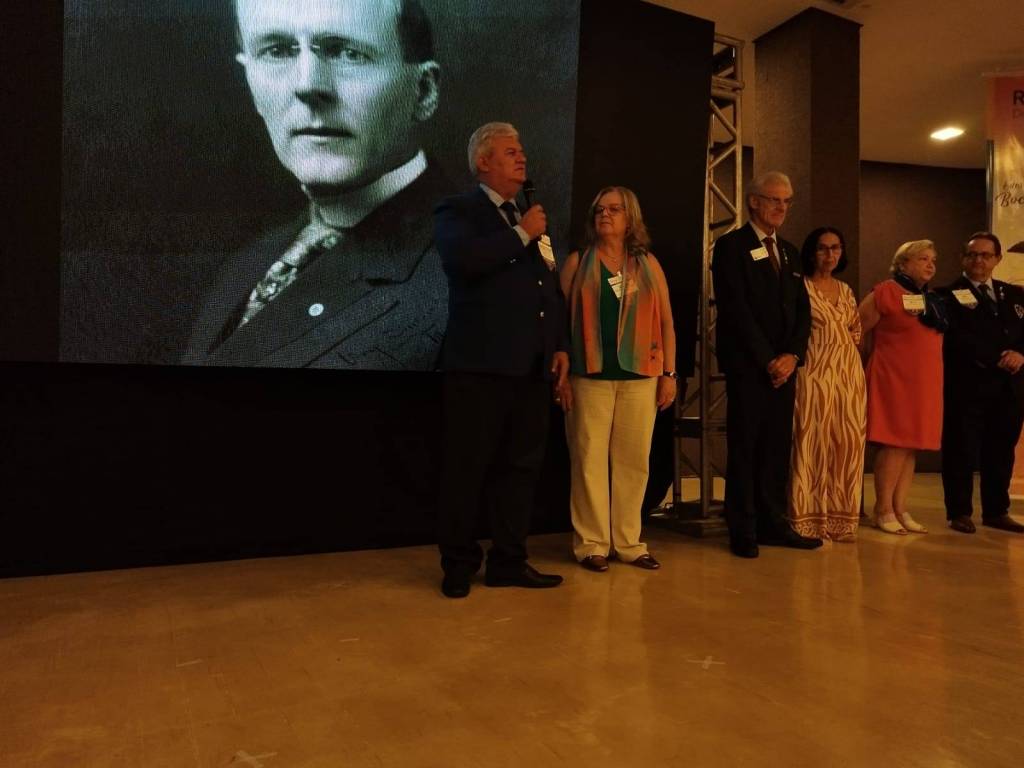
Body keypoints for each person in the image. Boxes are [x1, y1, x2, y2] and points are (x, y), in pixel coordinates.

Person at [183, 0, 450, 369]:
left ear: (423, 91)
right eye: (277, 51)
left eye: (348, 53)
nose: (308, 85)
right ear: (249, 78)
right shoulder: (251, 259)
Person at [434, 122, 569, 598]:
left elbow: (548, 288)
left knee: (521, 470)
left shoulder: (530, 217)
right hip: (479, 368)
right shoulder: (459, 209)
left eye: (521, 150)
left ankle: (509, 561)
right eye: (510, 151)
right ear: (483, 161)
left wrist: (559, 345)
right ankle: (458, 564)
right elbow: (462, 262)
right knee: (468, 470)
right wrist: (520, 234)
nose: (522, 157)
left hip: (531, 369)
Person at [556, 187, 677, 572]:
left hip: (641, 375)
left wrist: (669, 374)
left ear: (630, 219)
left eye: (614, 209)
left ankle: (629, 543)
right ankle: (591, 543)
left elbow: (667, 321)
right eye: (599, 210)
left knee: (634, 461)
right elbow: (558, 324)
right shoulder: (578, 262)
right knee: (588, 460)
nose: (604, 215)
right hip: (588, 375)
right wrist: (561, 376)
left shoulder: (648, 263)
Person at [711, 171, 818, 558]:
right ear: (753, 201)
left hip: (785, 369)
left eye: (787, 201)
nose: (782, 207)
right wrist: (767, 359)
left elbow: (802, 311)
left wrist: (792, 356)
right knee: (746, 447)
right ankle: (743, 528)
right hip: (750, 367)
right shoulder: (731, 246)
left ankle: (774, 523)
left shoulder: (789, 251)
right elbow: (735, 308)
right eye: (775, 199)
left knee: (776, 448)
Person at [859, 240, 948, 534]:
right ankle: (882, 509)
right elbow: (855, 329)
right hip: (893, 380)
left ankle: (900, 508)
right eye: (923, 258)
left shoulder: (929, 298)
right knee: (895, 443)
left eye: (933, 259)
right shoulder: (886, 291)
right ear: (902, 263)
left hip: (923, 384)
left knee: (911, 447)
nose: (930, 264)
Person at [938, 232, 1024, 534]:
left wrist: (1019, 354)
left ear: (997, 259)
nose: (979, 260)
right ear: (963, 258)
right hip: (968, 386)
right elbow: (956, 338)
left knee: (1001, 450)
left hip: (1009, 387)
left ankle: (996, 510)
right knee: (961, 450)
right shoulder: (947, 295)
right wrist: (995, 357)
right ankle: (959, 512)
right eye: (972, 254)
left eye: (986, 255)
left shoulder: (1013, 294)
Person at [789, 227, 866, 541]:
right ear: (811, 252)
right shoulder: (800, 287)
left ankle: (840, 519)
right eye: (823, 248)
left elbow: (856, 330)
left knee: (846, 445)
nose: (830, 254)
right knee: (810, 442)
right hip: (813, 371)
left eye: (835, 248)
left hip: (848, 375)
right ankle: (806, 519)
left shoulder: (846, 290)